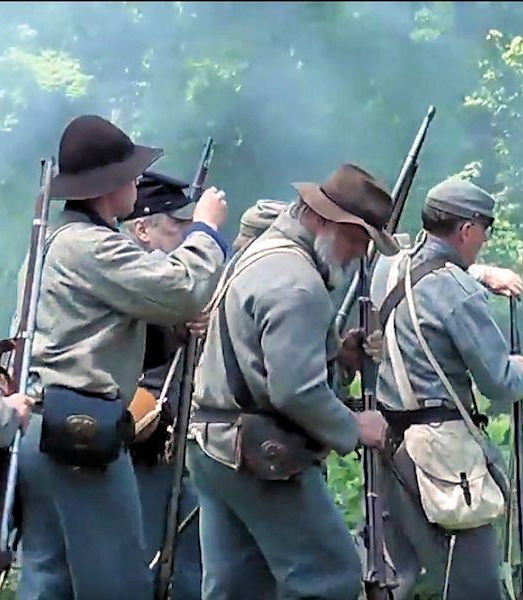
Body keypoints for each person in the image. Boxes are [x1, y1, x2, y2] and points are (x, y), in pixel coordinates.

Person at [13, 114, 230, 600]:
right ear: (111, 185)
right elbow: (184, 288)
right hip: (80, 431)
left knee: (49, 581)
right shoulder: (91, 247)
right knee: (116, 583)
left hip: (42, 426)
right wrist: (206, 232)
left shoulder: (56, 242)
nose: (137, 183)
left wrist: (169, 333)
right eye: (131, 175)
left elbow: (92, 331)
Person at [187, 163, 396, 600]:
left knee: (237, 589)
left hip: (217, 444)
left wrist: (338, 354)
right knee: (330, 579)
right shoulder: (297, 284)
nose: (359, 253)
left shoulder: (267, 251)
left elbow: (261, 356)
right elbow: (293, 391)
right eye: (358, 238)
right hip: (259, 453)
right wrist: (355, 426)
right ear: (323, 220)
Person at [373, 177, 523, 599]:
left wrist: (481, 273)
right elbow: (499, 383)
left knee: (390, 580)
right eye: (484, 229)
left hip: (392, 445)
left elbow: (427, 268)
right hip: (444, 458)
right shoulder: (457, 290)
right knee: (477, 584)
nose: (484, 239)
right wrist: (521, 368)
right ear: (466, 230)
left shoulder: (390, 269)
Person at [120, 171, 204, 600]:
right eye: (176, 226)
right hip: (140, 434)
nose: (186, 236)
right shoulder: (135, 272)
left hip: (154, 433)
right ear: (142, 230)